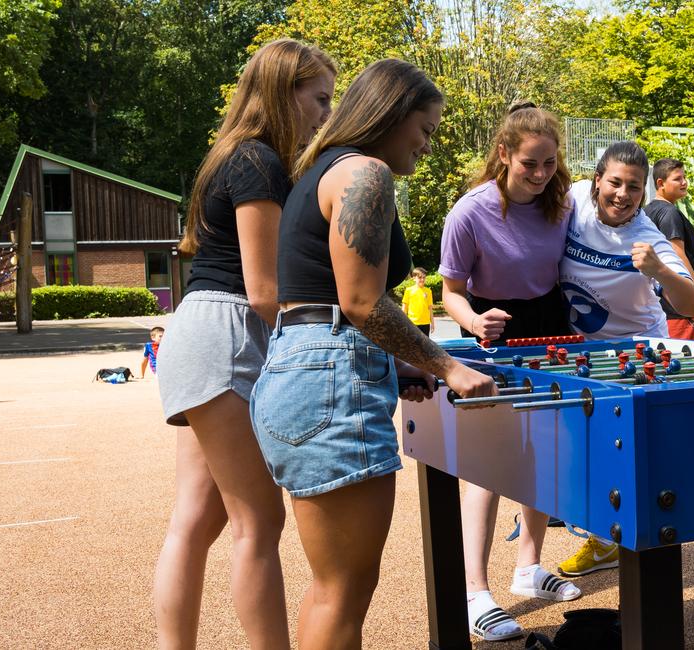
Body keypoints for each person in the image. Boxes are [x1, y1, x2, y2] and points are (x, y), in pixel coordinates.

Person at [248, 58, 497, 648]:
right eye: (426, 130)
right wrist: (448, 366)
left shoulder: (319, 171)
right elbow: (360, 303)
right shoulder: (365, 174)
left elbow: (324, 299)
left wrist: (399, 361)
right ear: (391, 114)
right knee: (345, 591)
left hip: (297, 369)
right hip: (330, 379)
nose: (429, 147)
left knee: (330, 587)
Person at [151, 39, 335, 650]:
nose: (324, 115)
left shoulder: (229, 155)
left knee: (198, 519)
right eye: (319, 100)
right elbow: (265, 290)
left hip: (201, 328)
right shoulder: (258, 161)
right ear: (286, 94)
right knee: (259, 521)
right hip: (228, 335)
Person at [436, 101, 577, 642]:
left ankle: (529, 568)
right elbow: (449, 292)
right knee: (489, 463)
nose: (540, 175)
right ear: (503, 154)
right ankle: (475, 592)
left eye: (548, 164)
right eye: (529, 165)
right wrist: (475, 320)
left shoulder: (560, 204)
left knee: (543, 450)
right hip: (495, 327)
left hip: (553, 327)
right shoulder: (468, 212)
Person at [553, 142, 694, 577]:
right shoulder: (574, 198)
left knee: (636, 450)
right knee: (585, 450)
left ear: (644, 193)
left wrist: (658, 271)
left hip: (638, 353)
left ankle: (644, 538)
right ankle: (604, 538)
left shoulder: (648, 237)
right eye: (615, 182)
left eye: (633, 188)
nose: (622, 194)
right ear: (597, 179)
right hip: (583, 353)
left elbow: (693, 303)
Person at [644, 158, 694, 339]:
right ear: (660, 183)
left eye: (685, 177)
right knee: (693, 363)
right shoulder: (669, 212)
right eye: (677, 178)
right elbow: (677, 252)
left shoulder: (645, 212)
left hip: (658, 308)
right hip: (680, 311)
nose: (684, 182)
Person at [401, 267, 435, 335]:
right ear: (414, 278)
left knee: (425, 344)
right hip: (412, 323)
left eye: (424, 277)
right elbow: (404, 308)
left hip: (426, 323)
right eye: (419, 277)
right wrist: (403, 323)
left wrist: (432, 323)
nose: (422, 279)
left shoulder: (428, 291)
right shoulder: (409, 290)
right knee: (413, 343)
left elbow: (430, 308)